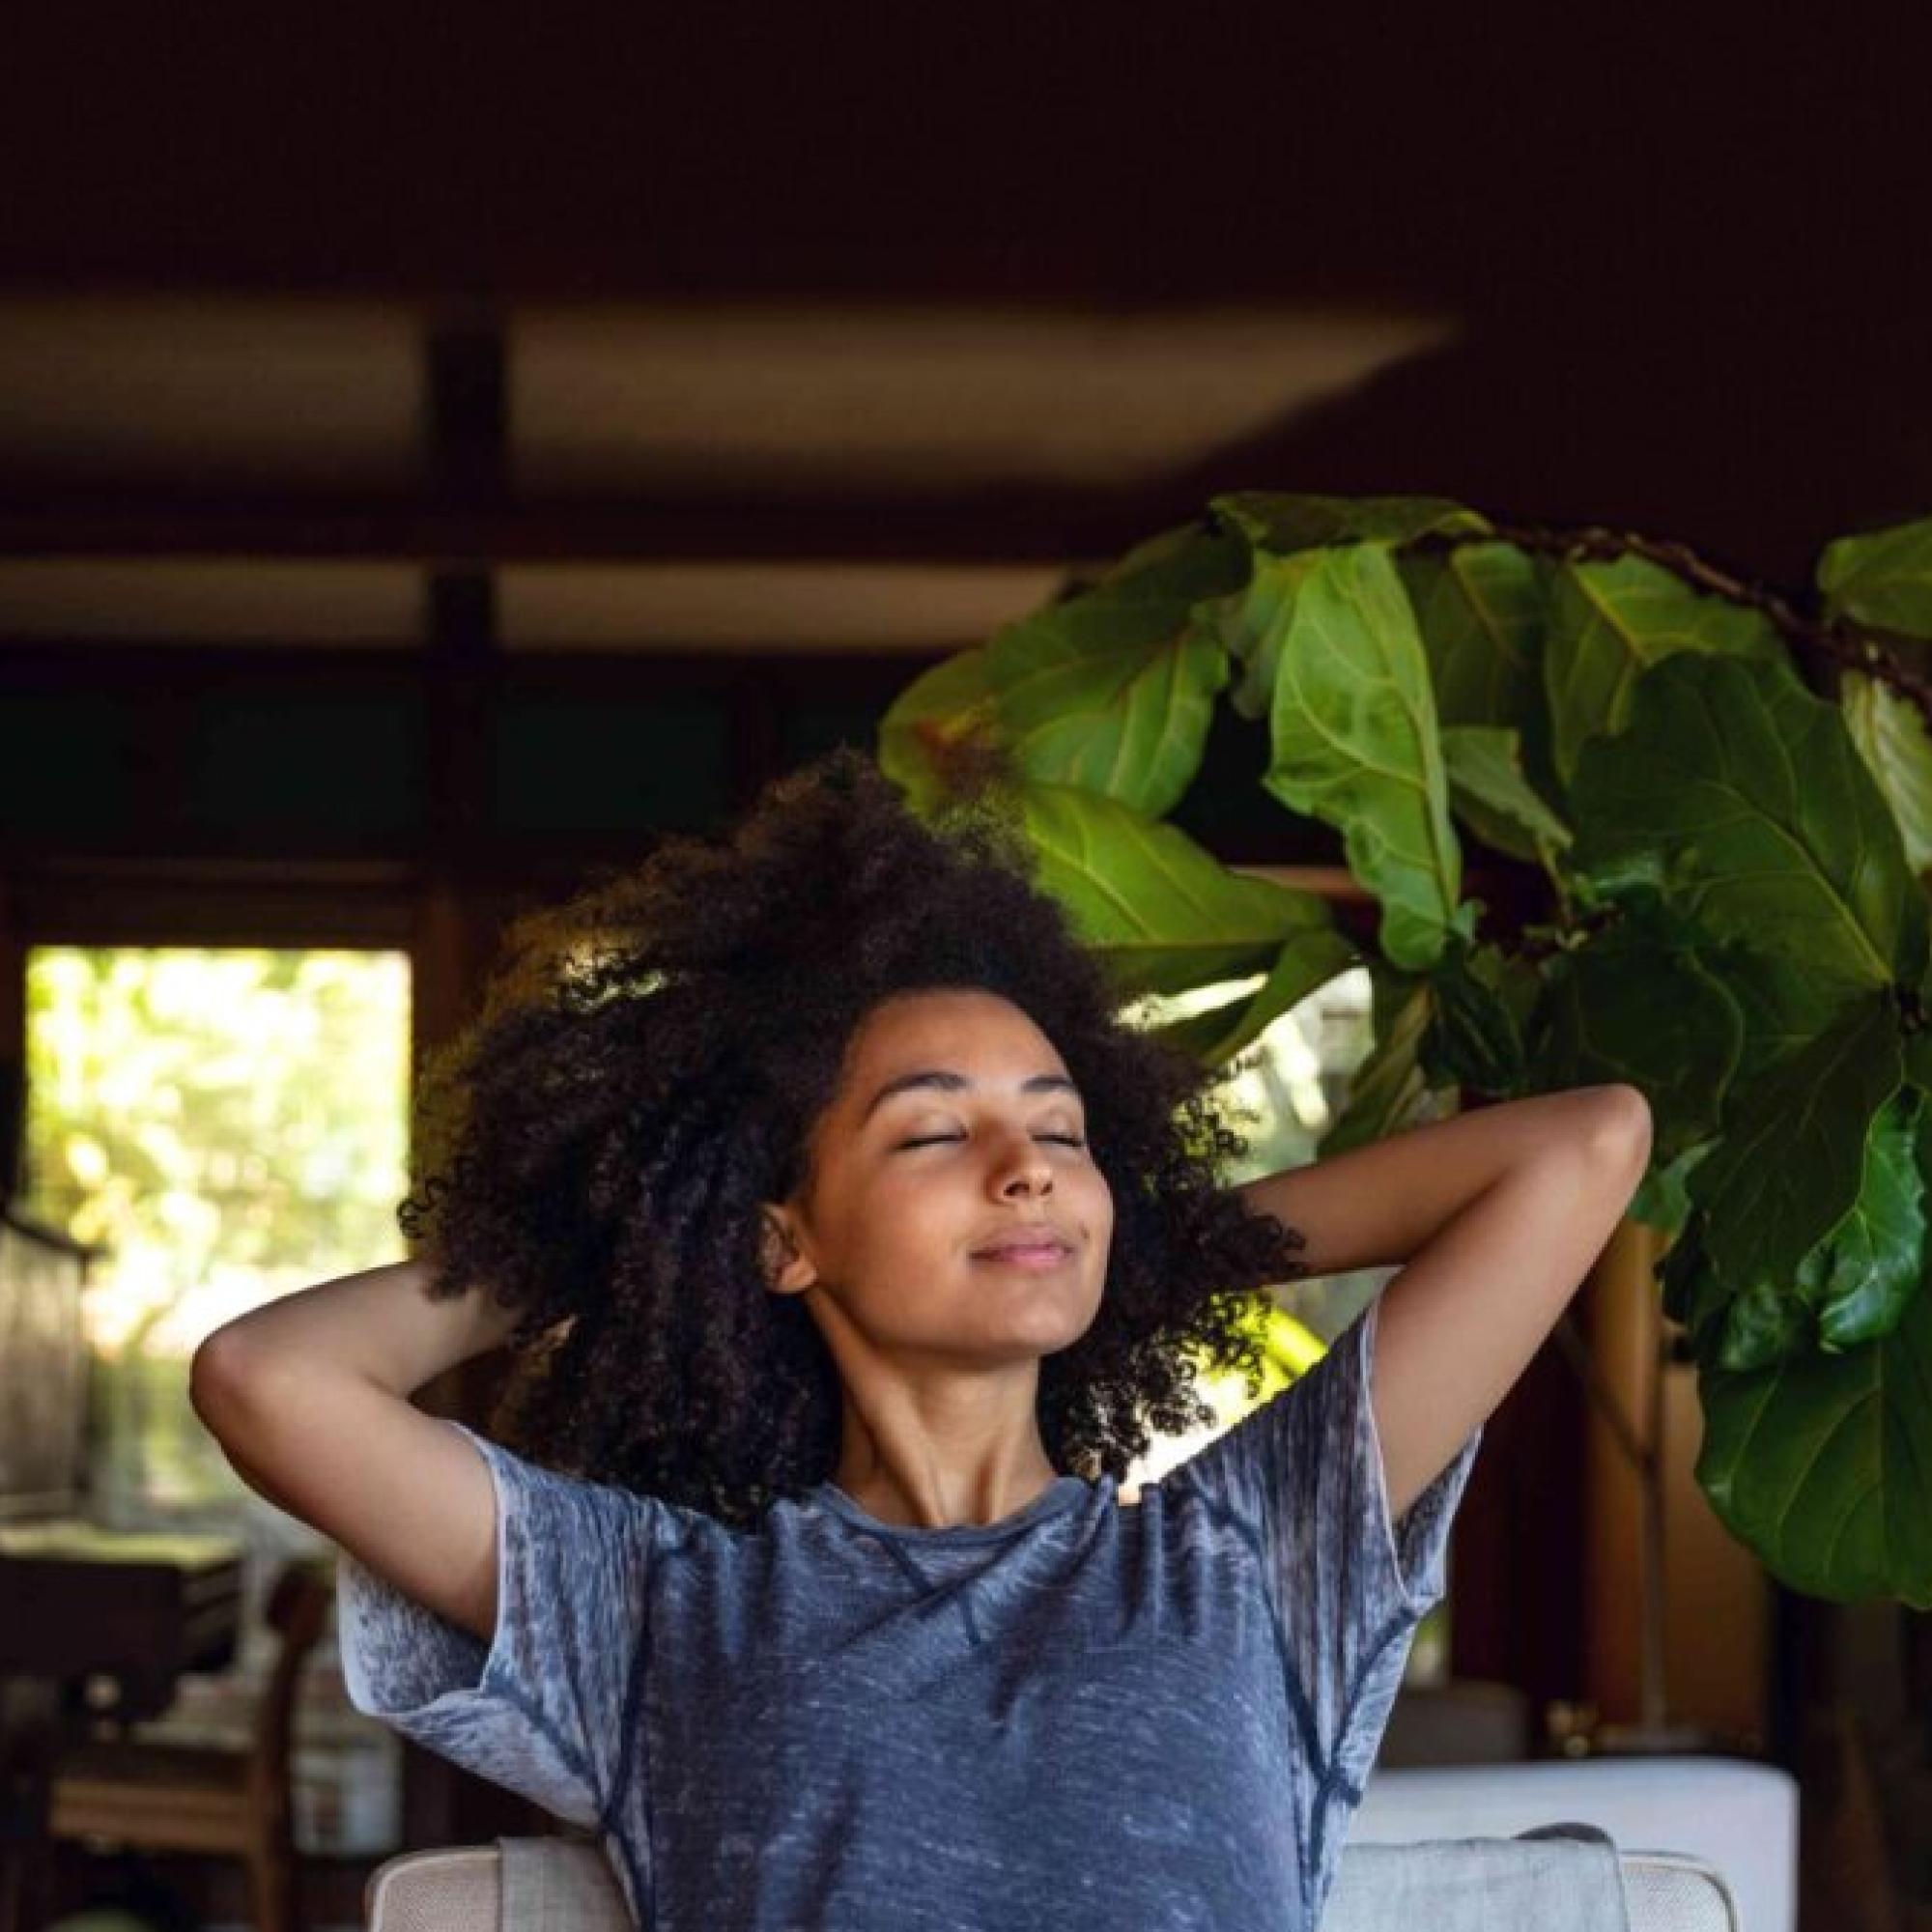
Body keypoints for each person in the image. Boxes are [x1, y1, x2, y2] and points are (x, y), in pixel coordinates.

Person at [190, 747, 1651, 1932]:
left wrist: (1153, 1247)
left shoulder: (1250, 1552)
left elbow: (1588, 1145)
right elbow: (268, 1380)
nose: (1026, 1170)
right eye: (937, 1133)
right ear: (785, 1238)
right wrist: (633, 1239)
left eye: (1062, 1135)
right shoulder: (652, 1608)